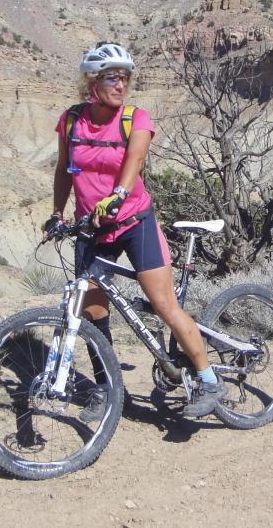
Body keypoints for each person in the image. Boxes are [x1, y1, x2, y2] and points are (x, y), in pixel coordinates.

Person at [45, 41, 226, 421]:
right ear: (92, 81)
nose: (121, 85)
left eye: (126, 78)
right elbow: (64, 169)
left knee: (163, 306)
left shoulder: (135, 118)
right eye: (113, 77)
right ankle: (107, 389)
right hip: (92, 229)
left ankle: (210, 380)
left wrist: (118, 195)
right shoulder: (72, 120)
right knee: (93, 313)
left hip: (133, 222)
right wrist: (57, 213)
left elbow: (136, 158)